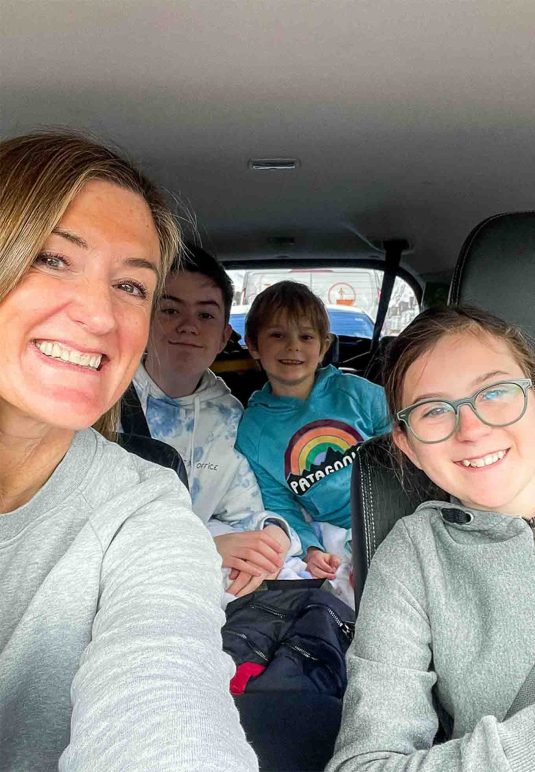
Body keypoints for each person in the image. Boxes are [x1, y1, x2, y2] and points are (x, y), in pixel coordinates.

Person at [0, 131, 256, 769]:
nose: (98, 314)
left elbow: (166, 672)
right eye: (52, 259)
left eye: (131, 286)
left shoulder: (144, 505)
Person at [328, 305, 535, 772]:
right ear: (407, 445)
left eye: (495, 393)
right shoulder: (412, 557)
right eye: (434, 410)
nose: (472, 429)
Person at [131, 243, 298, 596]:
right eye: (171, 309)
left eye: (206, 315)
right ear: (145, 319)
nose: (188, 326)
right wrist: (205, 547)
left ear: (225, 336)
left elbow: (243, 510)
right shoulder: (103, 400)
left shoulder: (229, 417)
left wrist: (272, 534)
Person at [235, 280, 388, 582]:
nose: (293, 346)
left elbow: (404, 449)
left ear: (323, 348)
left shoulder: (357, 393)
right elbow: (279, 503)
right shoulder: (253, 431)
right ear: (253, 345)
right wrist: (311, 549)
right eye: (277, 335)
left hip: (390, 514)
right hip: (333, 534)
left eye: (306, 336)